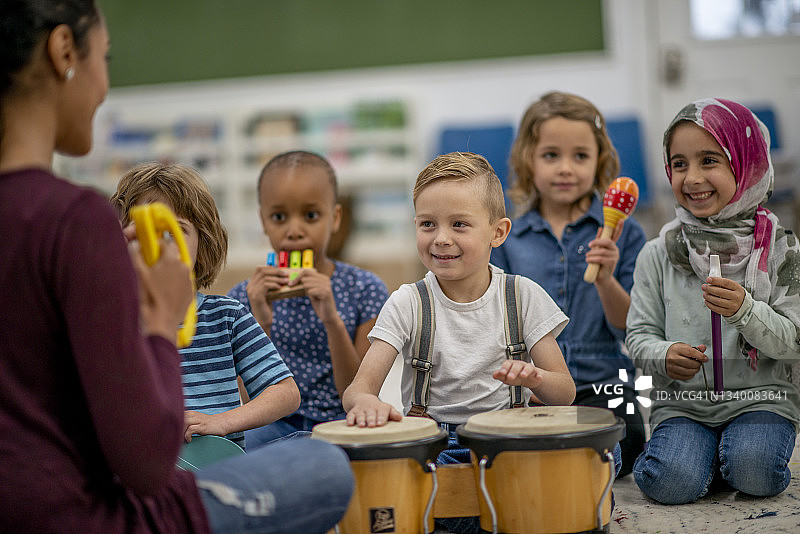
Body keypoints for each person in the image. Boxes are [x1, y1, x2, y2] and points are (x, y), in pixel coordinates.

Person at [0, 2, 352, 533]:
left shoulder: (221, 312)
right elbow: (146, 463)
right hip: (90, 511)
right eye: (106, 58)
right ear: (64, 51)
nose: (104, 87)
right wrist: (160, 321)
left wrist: (221, 420)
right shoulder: (73, 219)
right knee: (324, 466)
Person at [342, 152, 576, 533]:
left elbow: (565, 393)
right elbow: (358, 388)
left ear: (498, 232)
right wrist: (366, 402)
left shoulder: (522, 296)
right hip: (437, 445)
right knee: (404, 475)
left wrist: (535, 378)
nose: (441, 238)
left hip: (506, 441)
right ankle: (492, 508)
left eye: (459, 224)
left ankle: (467, 509)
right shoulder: (408, 302)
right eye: (427, 224)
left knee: (604, 453)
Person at [626, 98, 800, 504]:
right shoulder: (659, 253)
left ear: (746, 163)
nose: (692, 178)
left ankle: (723, 461)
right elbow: (638, 336)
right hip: (683, 406)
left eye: (709, 160)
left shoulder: (782, 250)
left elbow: (793, 342)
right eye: (679, 164)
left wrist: (745, 310)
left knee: (756, 470)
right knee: (668, 483)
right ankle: (709, 462)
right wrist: (664, 354)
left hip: (762, 400)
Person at [490, 91, 647, 477]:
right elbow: (495, 322)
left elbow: (629, 328)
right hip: (534, 383)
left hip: (606, 379)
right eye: (550, 155)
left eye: (580, 156)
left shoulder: (625, 233)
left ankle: (567, 453)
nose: (565, 168)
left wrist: (606, 280)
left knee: (627, 440)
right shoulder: (506, 238)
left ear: (599, 161)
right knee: (506, 440)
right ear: (528, 160)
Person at [111, 162, 301, 450]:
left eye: (176, 231)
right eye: (147, 231)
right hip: (148, 468)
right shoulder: (111, 323)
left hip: (220, 466)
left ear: (202, 247)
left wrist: (222, 422)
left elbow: (286, 393)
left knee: (315, 446)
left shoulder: (227, 316)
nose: (161, 243)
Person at [227, 150, 389, 445]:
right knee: (239, 447)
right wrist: (260, 322)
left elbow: (358, 393)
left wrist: (332, 320)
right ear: (263, 221)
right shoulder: (242, 299)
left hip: (342, 423)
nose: (294, 231)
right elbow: (247, 401)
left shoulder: (365, 289)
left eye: (311, 216)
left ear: (335, 218)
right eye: (279, 217)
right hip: (272, 427)